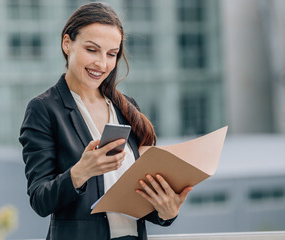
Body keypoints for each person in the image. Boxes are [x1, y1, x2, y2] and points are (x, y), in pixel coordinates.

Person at [19, 2, 193, 240]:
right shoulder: (44, 109)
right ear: (67, 43)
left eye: (111, 54)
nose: (102, 64)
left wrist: (166, 212)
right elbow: (40, 199)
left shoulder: (126, 108)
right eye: (92, 50)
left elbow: (137, 197)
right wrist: (81, 172)